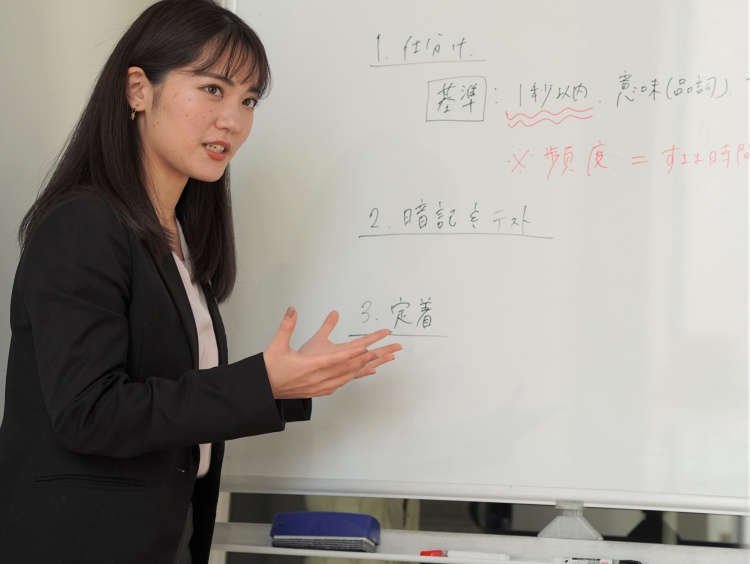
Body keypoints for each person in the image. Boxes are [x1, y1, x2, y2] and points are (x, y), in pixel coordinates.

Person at [0, 1, 401, 562]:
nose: (233, 121)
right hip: (81, 543)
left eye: (249, 100)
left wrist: (288, 383)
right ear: (138, 90)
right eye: (213, 89)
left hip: (170, 534)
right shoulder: (82, 226)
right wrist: (262, 382)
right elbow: (89, 413)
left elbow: (172, 401)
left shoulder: (181, 240)